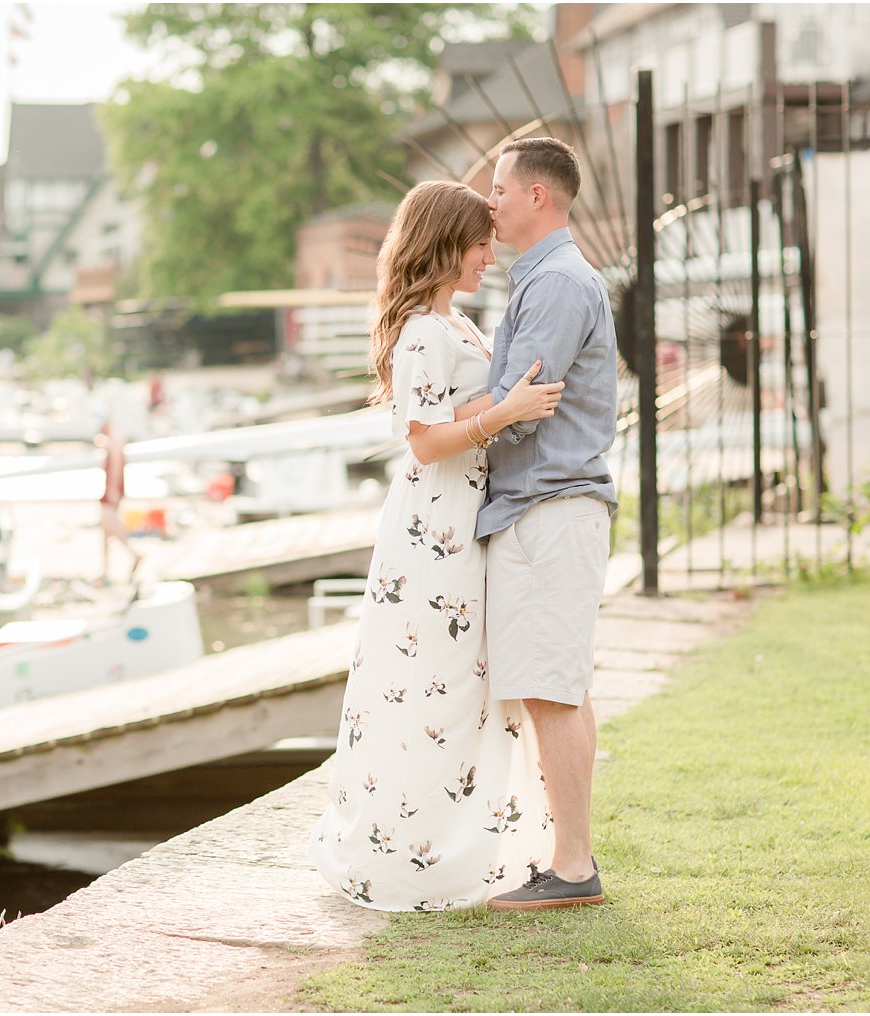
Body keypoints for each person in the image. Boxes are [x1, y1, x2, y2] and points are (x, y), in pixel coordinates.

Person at [308, 180, 566, 912]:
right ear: (447, 243)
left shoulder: (459, 324)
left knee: (466, 688)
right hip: (434, 531)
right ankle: (411, 858)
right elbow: (426, 443)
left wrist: (501, 401)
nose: (491, 254)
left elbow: (458, 409)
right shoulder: (422, 329)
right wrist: (505, 411)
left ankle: (464, 842)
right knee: (430, 685)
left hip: (466, 523)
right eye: (481, 242)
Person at [474, 137, 618, 911]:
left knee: (551, 689)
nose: (488, 202)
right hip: (548, 506)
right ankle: (568, 858)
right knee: (556, 684)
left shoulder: (557, 283)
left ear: (537, 196)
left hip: (547, 503)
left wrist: (450, 417)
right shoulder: (543, 278)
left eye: (499, 188)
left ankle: (570, 870)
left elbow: (521, 406)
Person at [95, 420, 137, 582]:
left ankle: (135, 553)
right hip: (112, 487)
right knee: (105, 531)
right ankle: (105, 570)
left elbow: (116, 465)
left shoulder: (114, 439)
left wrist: (112, 489)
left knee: (109, 526)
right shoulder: (114, 439)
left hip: (111, 488)